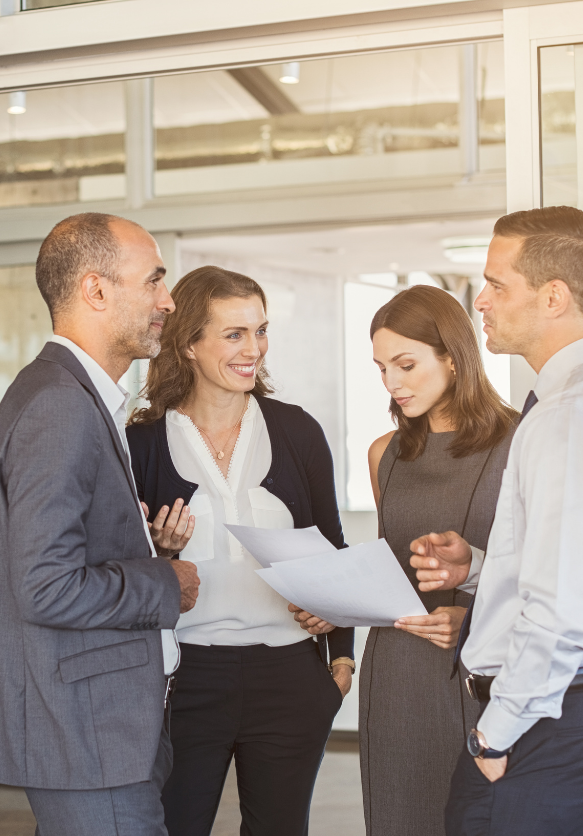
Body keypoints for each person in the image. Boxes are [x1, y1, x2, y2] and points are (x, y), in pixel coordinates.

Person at [411, 206, 583, 835]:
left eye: (498, 285)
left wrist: (495, 734)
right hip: (581, 711)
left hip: (546, 723)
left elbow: (564, 606)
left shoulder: (570, 417)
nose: (482, 301)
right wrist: (480, 568)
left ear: (553, 296)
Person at [0, 212, 201, 836]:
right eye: (154, 281)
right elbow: (46, 585)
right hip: (85, 735)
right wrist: (164, 582)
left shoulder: (72, 394)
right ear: (95, 291)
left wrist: (142, 547)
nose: (169, 300)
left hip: (101, 730)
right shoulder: (60, 406)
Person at [126, 266, 354, 836]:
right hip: (185, 680)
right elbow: (117, 567)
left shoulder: (296, 431)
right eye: (234, 334)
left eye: (260, 330)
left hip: (289, 675)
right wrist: (157, 552)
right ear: (188, 344)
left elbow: (332, 548)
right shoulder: (143, 442)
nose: (253, 348)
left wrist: (341, 658)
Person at [290, 284, 517, 836]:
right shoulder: (383, 454)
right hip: (396, 674)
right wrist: (336, 604)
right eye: (381, 367)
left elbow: (541, 570)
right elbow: (392, 569)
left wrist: (475, 618)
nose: (391, 382)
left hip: (483, 668)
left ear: (454, 358)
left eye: (406, 364)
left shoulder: (520, 441)